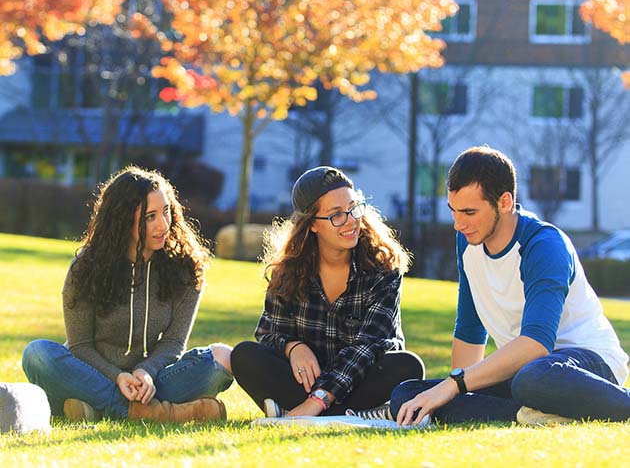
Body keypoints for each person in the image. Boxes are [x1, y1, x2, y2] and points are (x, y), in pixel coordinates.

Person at [390, 145, 630, 427]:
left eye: (469, 212)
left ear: (504, 202)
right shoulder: (468, 239)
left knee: (532, 377)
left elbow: (537, 344)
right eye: (453, 211)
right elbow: (470, 328)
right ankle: (531, 416)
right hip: (523, 372)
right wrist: (449, 390)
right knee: (407, 395)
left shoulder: (543, 245)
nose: (458, 224)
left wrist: (453, 385)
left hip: (582, 366)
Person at [22, 166, 233, 423]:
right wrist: (117, 377)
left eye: (166, 212)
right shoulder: (86, 267)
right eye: (150, 217)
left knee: (221, 359)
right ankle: (152, 413)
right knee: (37, 354)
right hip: (94, 375)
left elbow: (174, 343)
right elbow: (80, 346)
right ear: (121, 219)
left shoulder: (186, 268)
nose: (163, 225)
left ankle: (96, 408)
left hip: (152, 383)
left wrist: (145, 371)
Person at [230, 166, 425, 419]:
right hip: (307, 382)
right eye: (336, 215)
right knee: (245, 356)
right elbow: (268, 333)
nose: (351, 221)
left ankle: (302, 413)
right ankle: (357, 415)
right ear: (311, 225)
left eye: (354, 208)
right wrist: (293, 346)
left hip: (362, 376)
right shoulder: (288, 272)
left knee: (408, 366)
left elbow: (368, 346)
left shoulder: (383, 268)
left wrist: (319, 400)